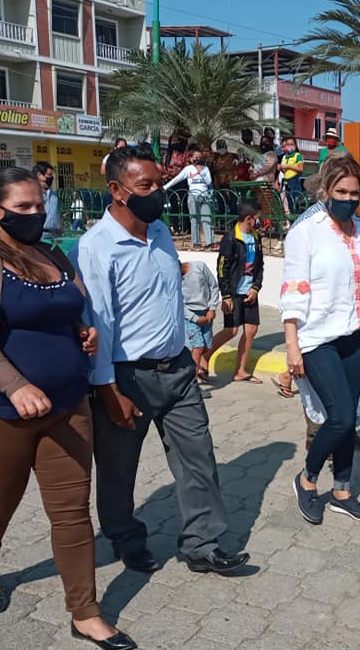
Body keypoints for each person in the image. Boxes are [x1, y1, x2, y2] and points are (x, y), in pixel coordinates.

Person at [0, 167, 135, 650]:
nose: (36, 213)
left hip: (67, 407)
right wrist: (15, 385)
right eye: (24, 207)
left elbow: (67, 311)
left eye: (39, 204)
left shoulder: (52, 254)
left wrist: (83, 332)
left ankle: (86, 613)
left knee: (72, 513)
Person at [70, 146, 249, 576]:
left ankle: (202, 544)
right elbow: (98, 323)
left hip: (179, 369)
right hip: (125, 376)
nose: (157, 193)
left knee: (198, 457)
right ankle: (124, 537)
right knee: (118, 468)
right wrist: (108, 389)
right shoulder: (94, 249)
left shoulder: (161, 232)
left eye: (158, 183)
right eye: (145, 185)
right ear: (117, 190)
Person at [281, 155, 360, 525]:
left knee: (349, 418)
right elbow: (293, 291)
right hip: (317, 339)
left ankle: (342, 492)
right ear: (326, 190)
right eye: (341, 192)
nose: (348, 199)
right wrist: (292, 347)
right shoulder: (305, 232)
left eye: (355, 193)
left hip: (356, 337)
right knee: (338, 418)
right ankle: (307, 480)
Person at [205, 201, 264, 383]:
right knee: (231, 330)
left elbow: (259, 265)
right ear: (249, 219)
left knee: (251, 330)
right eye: (258, 219)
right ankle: (204, 358)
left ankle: (240, 371)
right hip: (234, 292)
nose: (259, 223)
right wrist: (226, 295)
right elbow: (222, 268)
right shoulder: (230, 239)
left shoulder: (256, 237)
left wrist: (256, 287)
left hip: (250, 291)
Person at [181, 258, 220, 398]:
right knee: (197, 347)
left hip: (206, 312)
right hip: (189, 317)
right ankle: (193, 386)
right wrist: (195, 318)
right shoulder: (173, 281)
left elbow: (213, 286)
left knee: (206, 346)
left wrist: (212, 308)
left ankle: (195, 370)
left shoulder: (199, 267)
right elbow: (178, 304)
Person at [164, 145, 215, 250]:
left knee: (206, 218)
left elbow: (209, 181)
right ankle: (196, 242)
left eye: (199, 157)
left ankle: (210, 241)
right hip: (193, 195)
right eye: (195, 157)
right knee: (194, 219)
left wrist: (201, 170)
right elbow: (177, 179)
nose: (198, 159)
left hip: (204, 195)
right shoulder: (188, 169)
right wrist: (165, 187)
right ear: (191, 158)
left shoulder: (205, 169)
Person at [279, 136, 306, 208]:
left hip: (294, 180)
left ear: (295, 145)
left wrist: (288, 166)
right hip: (286, 181)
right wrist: (281, 168)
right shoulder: (286, 157)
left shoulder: (298, 155)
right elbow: (285, 172)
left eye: (292, 144)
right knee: (289, 201)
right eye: (288, 144)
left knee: (296, 201)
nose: (290, 146)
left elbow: (300, 169)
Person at [34, 161, 60, 236]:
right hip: (40, 234)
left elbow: (57, 212)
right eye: (49, 175)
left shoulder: (53, 194)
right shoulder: (33, 194)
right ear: (40, 175)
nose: (51, 178)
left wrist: (60, 227)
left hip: (55, 234)